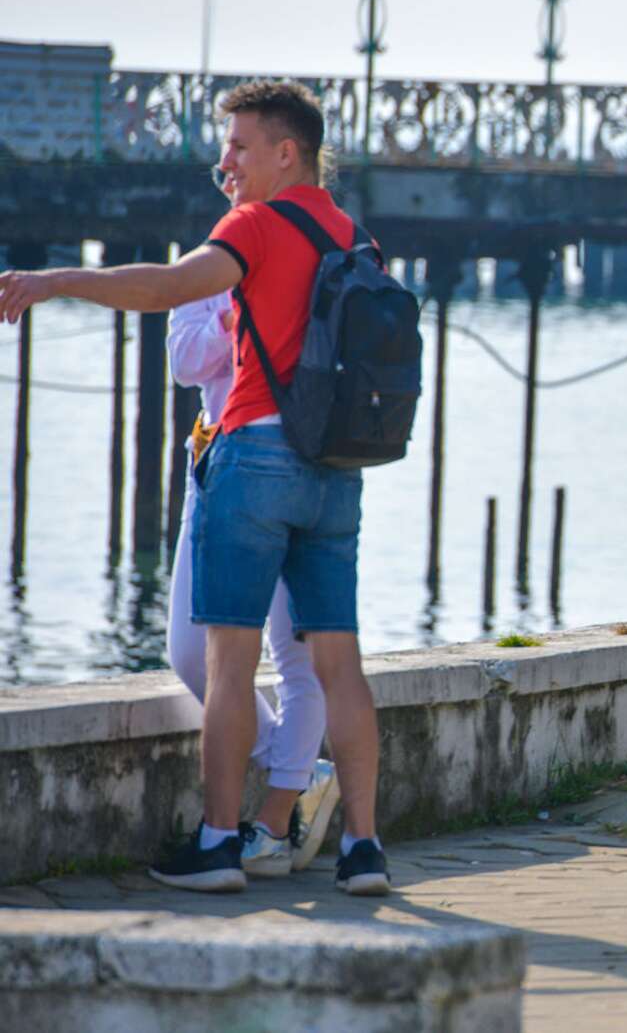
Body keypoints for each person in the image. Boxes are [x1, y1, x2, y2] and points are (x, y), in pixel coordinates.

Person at [0, 80, 390, 895]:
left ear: (289, 152)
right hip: (336, 472)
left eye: (241, 147)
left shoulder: (255, 224)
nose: (229, 164)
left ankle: (221, 842)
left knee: (227, 659)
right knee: (338, 665)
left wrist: (57, 279)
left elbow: (169, 289)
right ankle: (362, 850)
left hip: (252, 457)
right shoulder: (353, 236)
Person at [166, 287, 340, 875]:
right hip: (218, 463)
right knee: (191, 652)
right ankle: (296, 771)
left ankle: (275, 817)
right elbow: (186, 362)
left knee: (298, 649)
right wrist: (232, 318)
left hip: (310, 466)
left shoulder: (324, 251)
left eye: (237, 181)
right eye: (224, 183)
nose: (231, 187)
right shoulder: (209, 262)